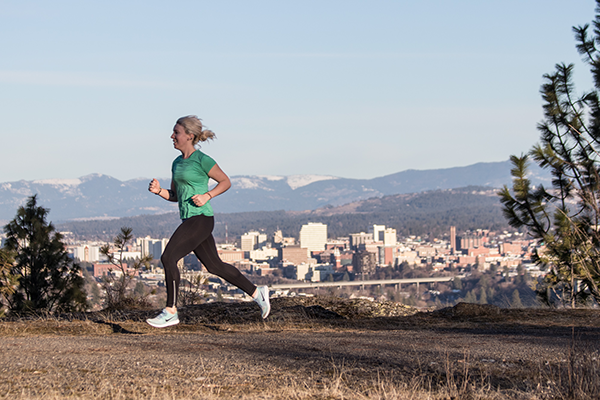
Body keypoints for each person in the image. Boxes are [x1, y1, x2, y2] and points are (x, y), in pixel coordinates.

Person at [146, 115, 270, 328]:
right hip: (190, 218)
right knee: (214, 266)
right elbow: (175, 195)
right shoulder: (176, 163)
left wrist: (207, 196)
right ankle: (258, 293)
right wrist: (159, 192)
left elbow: (225, 181)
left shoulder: (202, 160)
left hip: (201, 219)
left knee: (168, 257)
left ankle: (170, 311)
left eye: (176, 132)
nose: (172, 136)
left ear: (189, 136)